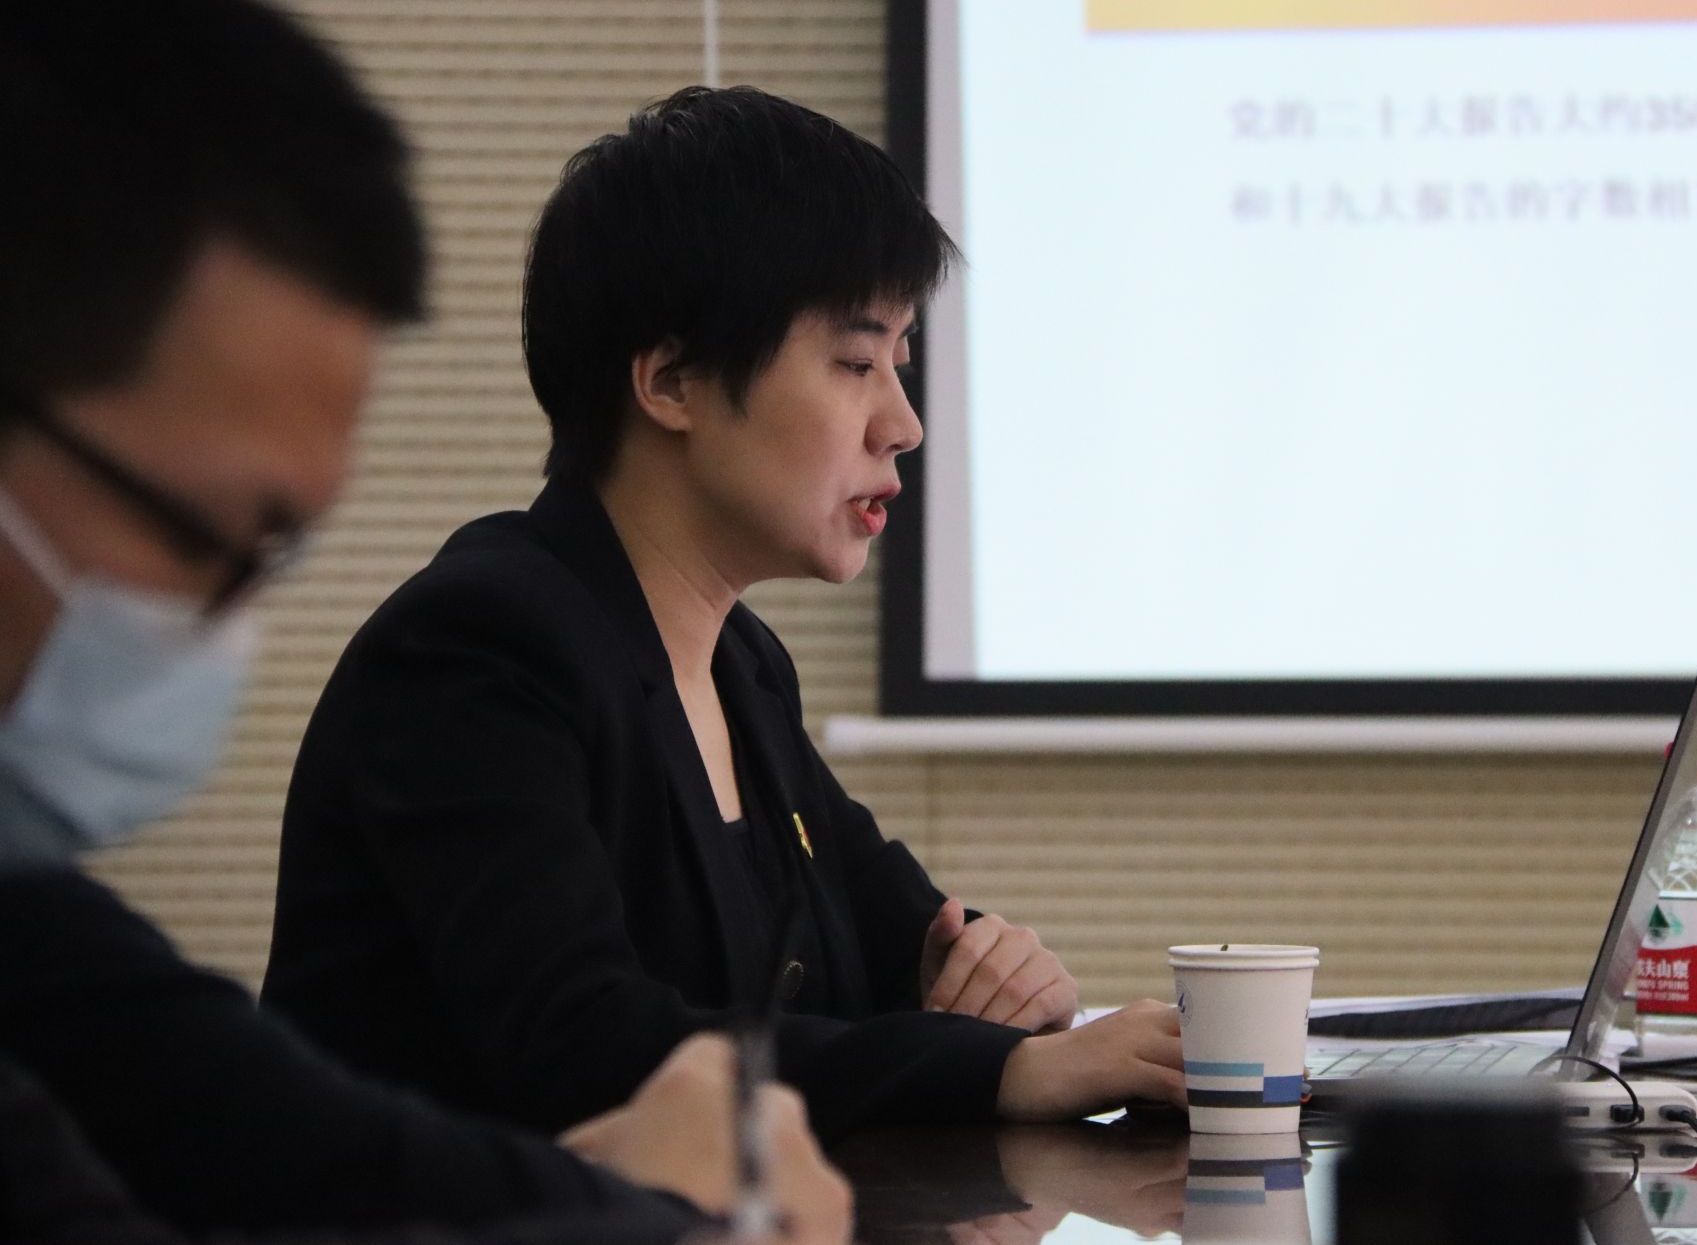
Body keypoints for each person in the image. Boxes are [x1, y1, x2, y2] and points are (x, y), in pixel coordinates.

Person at [0, 0, 848, 1244]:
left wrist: (647, 1200)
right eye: (201, 537)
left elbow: (299, 1147)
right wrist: (677, 1204)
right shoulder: (490, 635)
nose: (222, 629)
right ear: (671, 382)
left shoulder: (30, 923)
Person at [261, 85, 1186, 1142]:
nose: (903, 423)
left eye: (899, 364)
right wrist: (1006, 1071)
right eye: (855, 363)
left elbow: (904, 941)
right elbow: (585, 1051)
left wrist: (994, 971)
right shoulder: (478, 648)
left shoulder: (740, 662)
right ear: (671, 382)